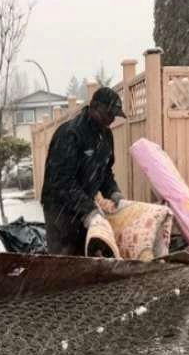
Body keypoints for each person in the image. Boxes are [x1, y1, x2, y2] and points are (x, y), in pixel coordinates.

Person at [41, 86, 129, 255]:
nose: (112, 119)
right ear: (95, 106)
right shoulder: (70, 134)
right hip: (60, 209)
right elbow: (62, 182)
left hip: (83, 205)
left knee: (86, 255)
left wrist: (114, 192)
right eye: (109, 113)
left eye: (115, 115)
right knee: (66, 260)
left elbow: (105, 171)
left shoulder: (106, 136)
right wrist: (88, 210)